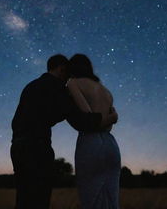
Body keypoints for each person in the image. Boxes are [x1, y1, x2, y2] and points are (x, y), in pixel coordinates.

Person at [10, 54, 118, 209]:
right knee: (39, 199)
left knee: (24, 198)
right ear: (61, 69)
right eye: (67, 73)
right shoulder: (56, 87)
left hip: (18, 146)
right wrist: (111, 117)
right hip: (37, 148)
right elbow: (81, 121)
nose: (68, 78)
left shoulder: (31, 86)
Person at [67, 54, 121, 209]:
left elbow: (89, 118)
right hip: (110, 143)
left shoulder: (73, 83)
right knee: (112, 199)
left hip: (90, 142)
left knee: (91, 198)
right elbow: (109, 123)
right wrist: (112, 118)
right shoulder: (106, 91)